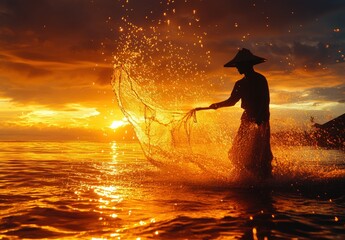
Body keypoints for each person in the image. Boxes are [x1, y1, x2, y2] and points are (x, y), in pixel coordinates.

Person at [209, 48, 273, 179]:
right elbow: (232, 101)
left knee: (262, 153)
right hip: (247, 118)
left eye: (239, 65)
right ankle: (245, 177)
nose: (237, 68)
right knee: (237, 151)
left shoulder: (260, 79)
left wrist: (260, 118)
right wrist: (217, 105)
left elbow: (265, 100)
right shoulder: (239, 84)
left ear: (247, 64)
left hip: (261, 119)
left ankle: (264, 179)